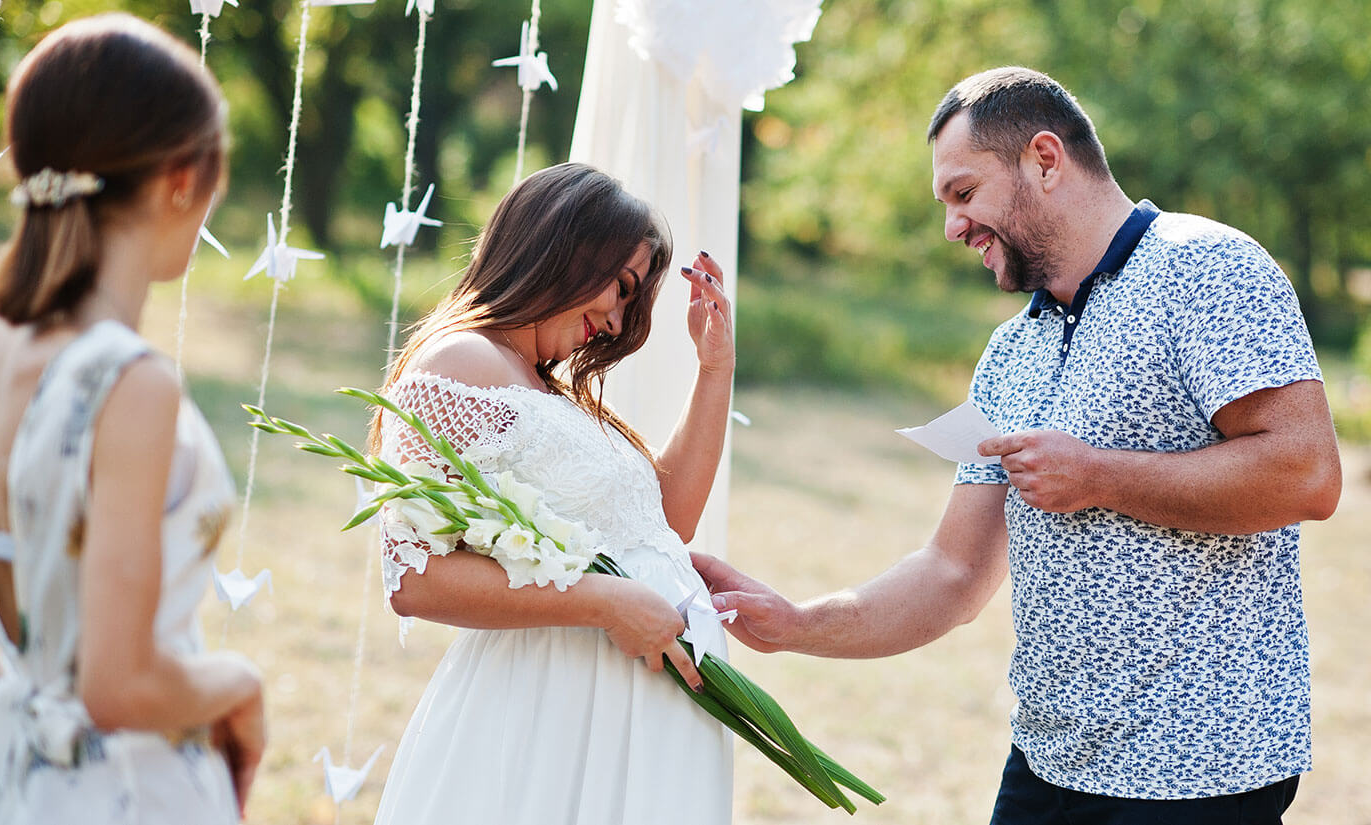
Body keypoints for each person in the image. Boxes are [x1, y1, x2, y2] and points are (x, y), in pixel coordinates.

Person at [694, 66, 1341, 824]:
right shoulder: (1010, 351)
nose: (951, 227)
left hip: (1194, 772)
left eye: (964, 194)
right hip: (1047, 764)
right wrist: (795, 623)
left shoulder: (1205, 266)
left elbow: (1306, 473)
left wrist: (1097, 475)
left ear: (1044, 158)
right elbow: (953, 569)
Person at [369, 161, 735, 825]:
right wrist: (608, 601)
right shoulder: (459, 363)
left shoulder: (543, 387)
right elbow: (412, 575)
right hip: (550, 709)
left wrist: (714, 370)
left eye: (632, 301)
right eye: (619, 288)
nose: (618, 317)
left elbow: (668, 520)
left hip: (627, 716)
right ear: (560, 248)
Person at [0, 14, 265, 823]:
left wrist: (36, 733)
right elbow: (120, 683)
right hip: (136, 796)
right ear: (182, 177)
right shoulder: (131, 385)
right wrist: (240, 683)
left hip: (17, 795)